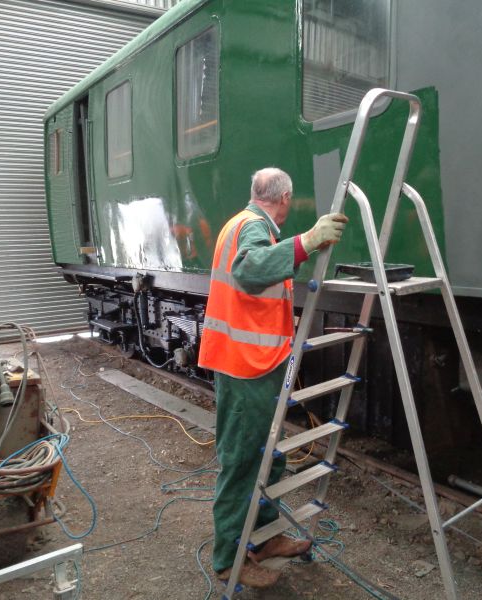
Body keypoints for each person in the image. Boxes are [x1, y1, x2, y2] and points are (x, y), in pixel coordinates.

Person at [198, 167, 348, 588]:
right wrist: (306, 242)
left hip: (256, 361)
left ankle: (264, 539)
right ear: (284, 199)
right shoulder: (251, 227)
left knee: (268, 453)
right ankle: (229, 560)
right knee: (243, 460)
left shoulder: (242, 223)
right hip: (244, 364)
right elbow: (248, 269)